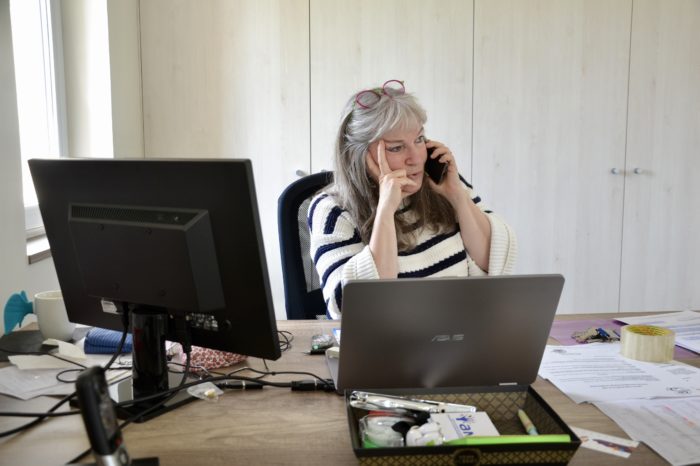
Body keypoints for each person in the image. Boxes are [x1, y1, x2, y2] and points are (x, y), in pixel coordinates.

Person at [308, 80, 517, 319]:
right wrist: (386, 211)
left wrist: (458, 196)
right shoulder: (332, 210)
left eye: (419, 139)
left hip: (457, 333)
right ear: (360, 155)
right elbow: (358, 307)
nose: (416, 158)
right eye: (396, 148)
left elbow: (494, 262)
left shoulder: (440, 182)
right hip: (387, 346)